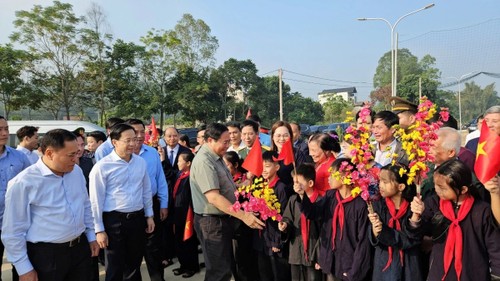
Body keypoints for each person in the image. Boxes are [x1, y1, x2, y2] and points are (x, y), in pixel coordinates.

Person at [2, 129, 99, 281]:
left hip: (79, 250)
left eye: (77, 152)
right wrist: (24, 268)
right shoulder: (24, 182)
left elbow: (85, 205)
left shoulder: (76, 172)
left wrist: (91, 235)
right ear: (49, 153)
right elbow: (13, 231)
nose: (76, 158)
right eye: (70, 155)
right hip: (45, 256)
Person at [190, 123, 265, 281]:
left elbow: (222, 185)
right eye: (224, 142)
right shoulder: (204, 162)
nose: (228, 145)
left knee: (224, 267)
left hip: (222, 219)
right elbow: (214, 197)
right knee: (219, 271)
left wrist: (239, 186)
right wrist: (244, 216)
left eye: (228, 141)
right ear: (210, 140)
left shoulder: (215, 157)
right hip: (212, 222)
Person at [409, 159, 500, 281]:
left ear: (463, 190)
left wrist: (496, 276)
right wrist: (416, 216)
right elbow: (416, 235)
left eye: (442, 187)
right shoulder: (433, 203)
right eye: (435, 185)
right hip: (439, 273)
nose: (436, 189)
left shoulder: (482, 210)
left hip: (472, 273)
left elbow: (494, 246)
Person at [89, 123, 155, 281]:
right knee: (115, 266)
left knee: (134, 263)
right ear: (114, 142)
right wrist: (99, 230)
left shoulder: (140, 162)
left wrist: (149, 215)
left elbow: (146, 190)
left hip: (137, 219)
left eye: (135, 139)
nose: (133, 143)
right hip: (114, 222)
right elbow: (95, 200)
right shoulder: (102, 167)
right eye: (128, 140)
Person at [297, 158, 372, 281]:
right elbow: (313, 213)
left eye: (332, 175)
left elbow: (363, 242)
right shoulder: (330, 196)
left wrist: (356, 271)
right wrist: (302, 194)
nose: (329, 178)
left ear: (344, 177)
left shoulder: (360, 204)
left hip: (350, 264)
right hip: (332, 261)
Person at [126, 119, 169, 281]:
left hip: (152, 204)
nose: (139, 136)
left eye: (142, 132)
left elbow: (161, 180)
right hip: (130, 210)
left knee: (154, 250)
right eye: (134, 132)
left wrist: (164, 204)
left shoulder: (151, 153)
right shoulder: (118, 156)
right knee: (132, 252)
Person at [368, 164, 422, 281]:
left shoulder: (413, 208)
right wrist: (375, 231)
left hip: (408, 263)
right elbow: (374, 240)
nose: (380, 185)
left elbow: (412, 240)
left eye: (385, 182)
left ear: (401, 186)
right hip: (384, 262)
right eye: (380, 181)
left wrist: (415, 218)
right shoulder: (378, 206)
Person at [279, 164, 322, 281]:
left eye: (299, 183)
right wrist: (284, 225)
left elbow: (323, 230)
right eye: (294, 183)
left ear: (310, 183)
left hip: (313, 252)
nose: (296, 186)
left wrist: (320, 255)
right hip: (296, 252)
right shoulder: (293, 200)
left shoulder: (320, 201)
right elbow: (287, 217)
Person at [0, 117, 31, 281]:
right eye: (0, 130)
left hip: (19, 223)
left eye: (6, 128)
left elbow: (32, 185)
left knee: (21, 267)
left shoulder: (19, 157)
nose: (5, 133)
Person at [253, 151, 291, 281]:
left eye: (267, 166)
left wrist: (278, 241)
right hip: (261, 239)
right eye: (262, 166)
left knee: (279, 274)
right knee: (265, 273)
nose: (264, 170)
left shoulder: (281, 188)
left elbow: (284, 217)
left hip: (275, 240)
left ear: (277, 167)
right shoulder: (259, 185)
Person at [162, 127, 191, 268]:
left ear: (178, 136)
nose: (172, 138)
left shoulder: (185, 152)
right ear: (164, 137)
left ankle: (186, 262)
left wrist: (164, 164)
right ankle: (168, 254)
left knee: (181, 228)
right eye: (169, 136)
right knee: (166, 226)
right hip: (165, 193)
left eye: (174, 136)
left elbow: (177, 173)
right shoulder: (159, 150)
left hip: (182, 194)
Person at [171, 151, 199, 278]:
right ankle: (183, 265)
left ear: (188, 163)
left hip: (188, 214)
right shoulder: (179, 174)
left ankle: (192, 267)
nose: (177, 163)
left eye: (179, 161)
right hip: (177, 213)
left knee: (189, 241)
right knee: (178, 241)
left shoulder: (192, 177)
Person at [270, 120, 308, 187]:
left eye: (285, 135)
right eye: (278, 135)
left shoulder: (297, 154)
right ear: (273, 137)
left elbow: (303, 177)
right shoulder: (268, 155)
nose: (282, 139)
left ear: (290, 136)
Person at [482, 105, 500, 225]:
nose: (490, 125)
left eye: (495, 121)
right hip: (482, 201)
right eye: (487, 121)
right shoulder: (475, 144)